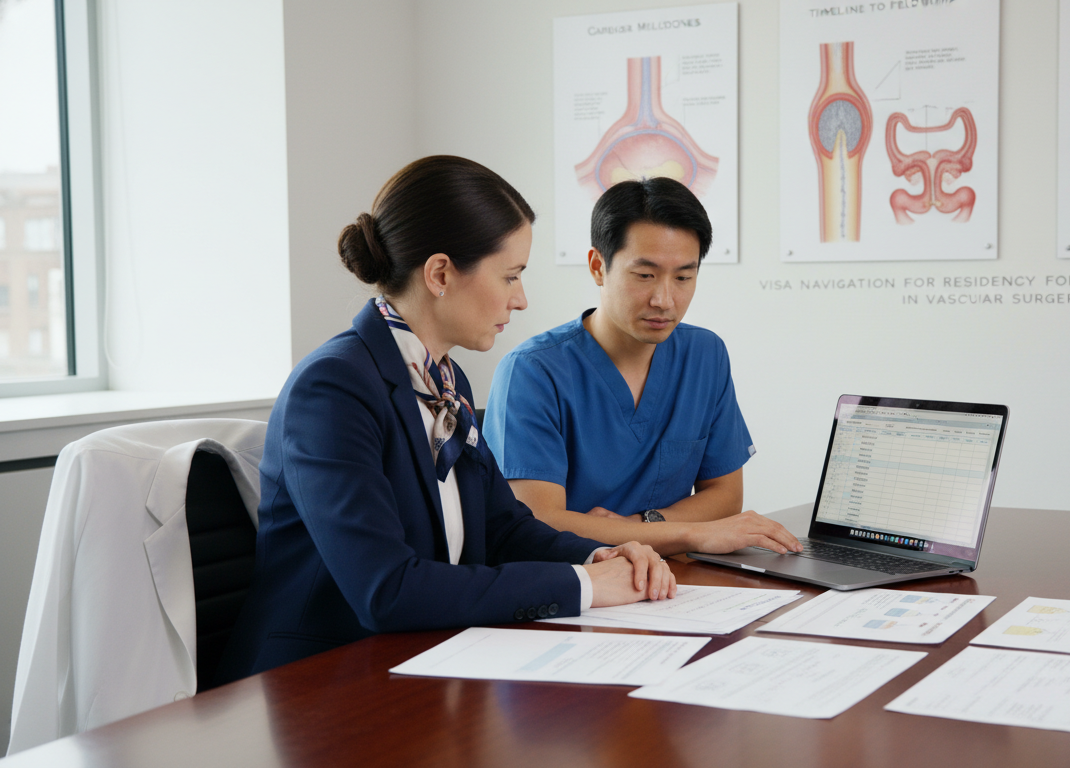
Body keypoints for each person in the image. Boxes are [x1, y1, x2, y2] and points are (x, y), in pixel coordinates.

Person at [218, 157, 673, 684]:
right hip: (315, 683)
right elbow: (385, 590)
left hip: (429, 660)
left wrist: (601, 554)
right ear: (439, 274)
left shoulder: (444, 380)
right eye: (510, 276)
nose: (521, 299)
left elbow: (502, 526)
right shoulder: (332, 390)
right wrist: (587, 587)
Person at [482, 178, 800, 557]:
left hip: (674, 582)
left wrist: (638, 526)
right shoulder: (532, 373)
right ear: (599, 267)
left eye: (684, 277)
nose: (665, 299)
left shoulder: (705, 355)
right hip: (572, 583)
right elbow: (539, 521)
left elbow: (725, 497)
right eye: (645, 275)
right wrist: (688, 534)